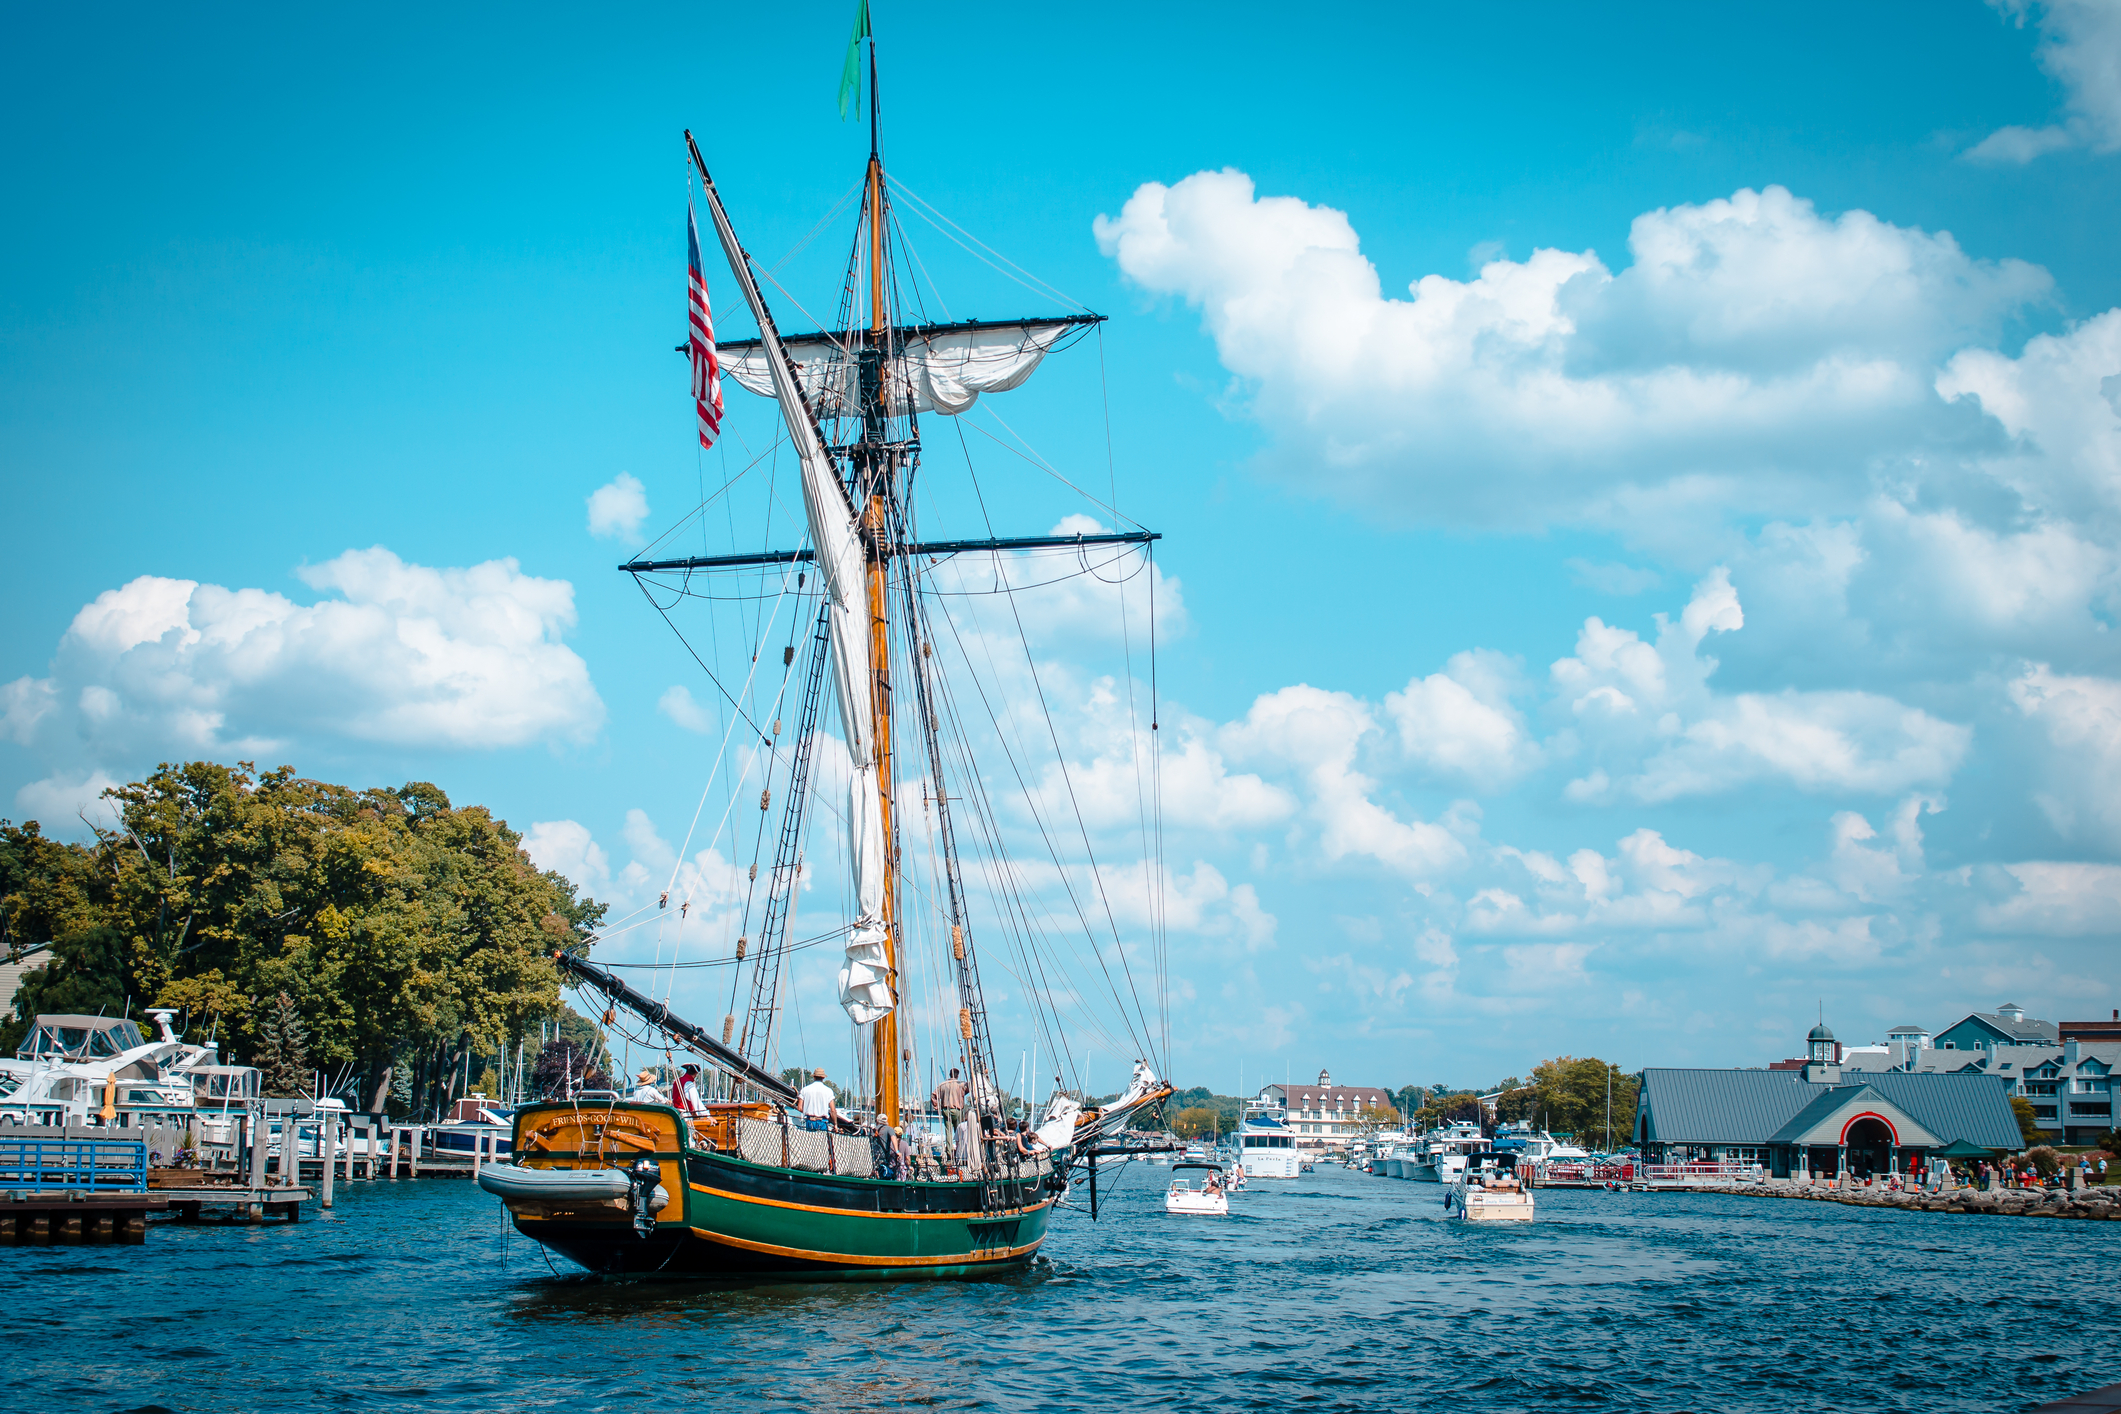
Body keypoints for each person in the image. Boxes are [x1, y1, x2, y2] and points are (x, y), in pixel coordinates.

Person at [798, 1067, 839, 1132]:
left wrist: (807, 1110)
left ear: (814, 1077)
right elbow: (833, 1110)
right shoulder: (828, 1091)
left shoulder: (805, 1090)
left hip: (809, 1121)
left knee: (809, 1140)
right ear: (823, 1078)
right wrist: (835, 1124)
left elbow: (799, 1108)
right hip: (822, 1121)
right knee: (821, 1140)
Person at [933, 1068, 967, 1137]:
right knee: (959, 1130)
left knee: (948, 1131)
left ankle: (949, 1147)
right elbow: (970, 1087)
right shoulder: (961, 1085)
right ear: (957, 1076)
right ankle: (959, 1146)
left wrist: (936, 1106)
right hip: (957, 1109)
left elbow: (933, 1095)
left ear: (950, 1074)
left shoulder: (942, 1085)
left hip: (946, 1109)